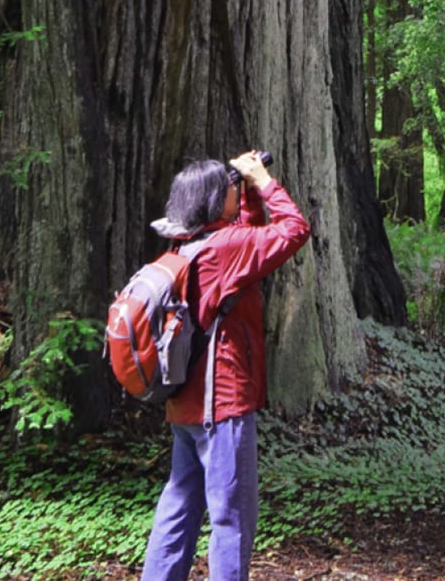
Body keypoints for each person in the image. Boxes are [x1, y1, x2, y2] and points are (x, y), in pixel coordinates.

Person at [142, 150, 309, 581]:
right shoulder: (228, 248)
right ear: (216, 200)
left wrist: (247, 194)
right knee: (232, 520)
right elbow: (293, 230)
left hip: (184, 405)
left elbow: (247, 238)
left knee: (179, 508)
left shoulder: (188, 245)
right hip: (224, 407)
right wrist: (264, 181)